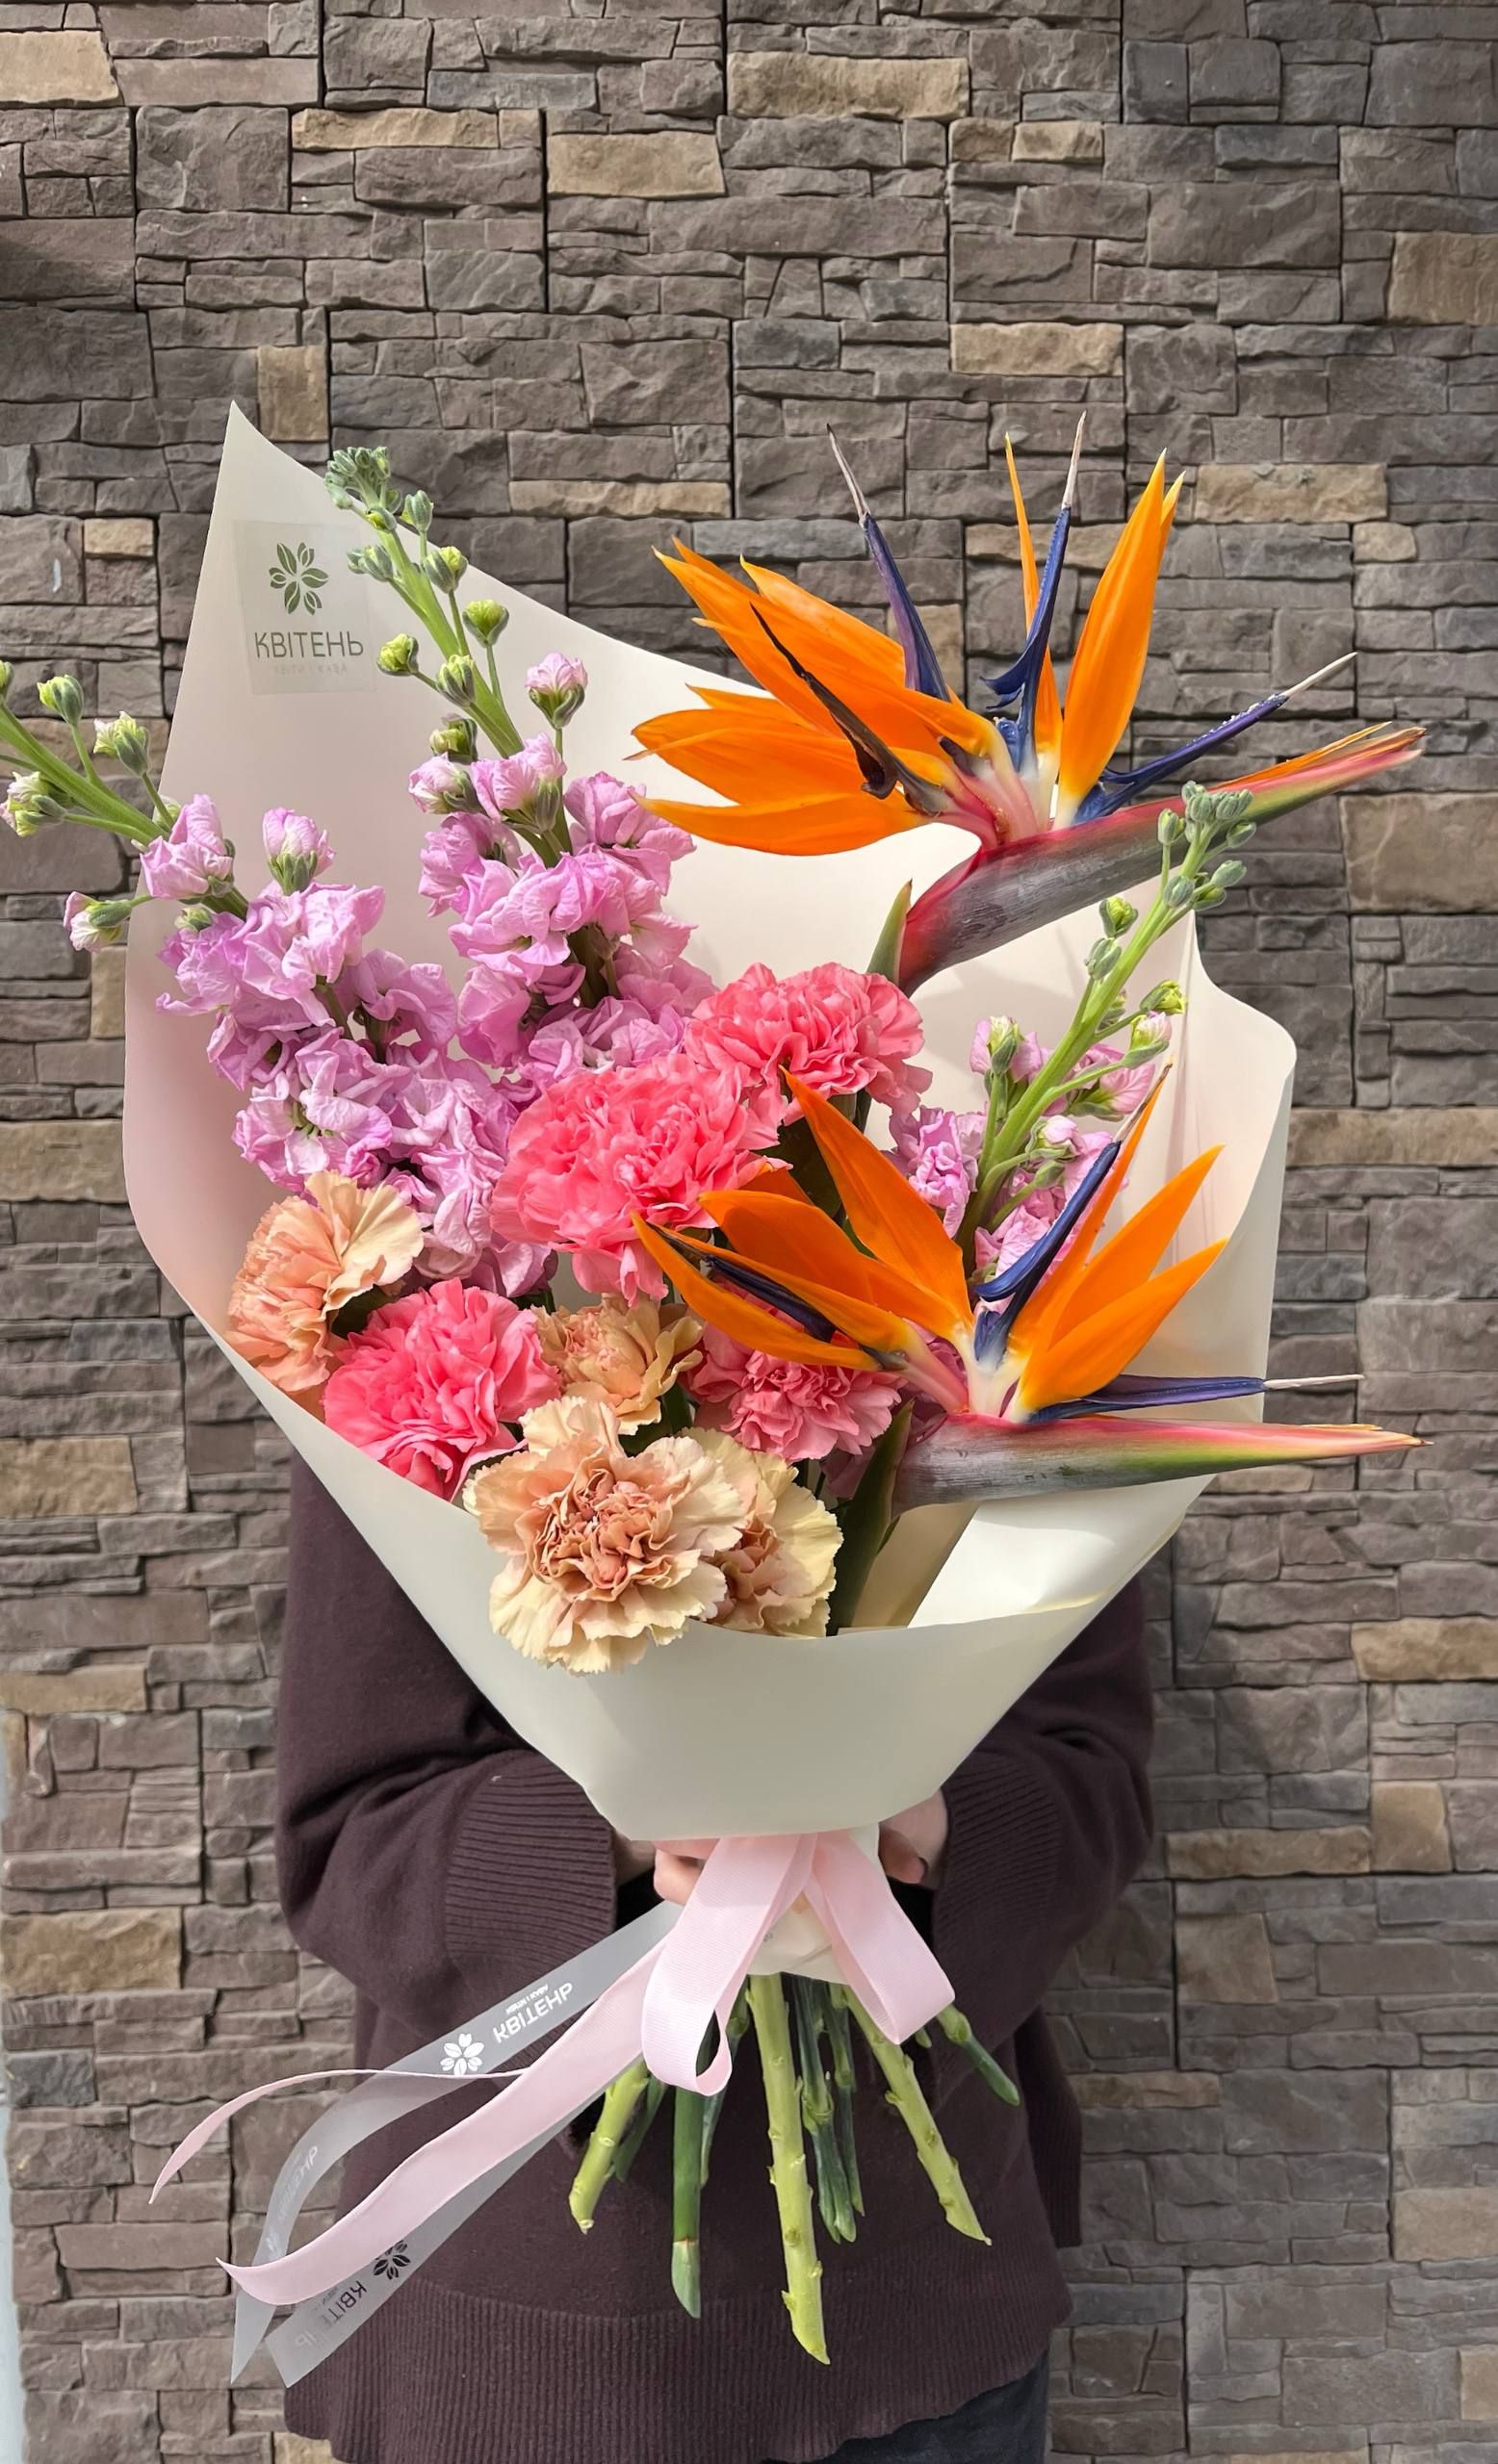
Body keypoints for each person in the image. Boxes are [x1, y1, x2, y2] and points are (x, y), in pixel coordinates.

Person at [275, 1458, 1154, 2464]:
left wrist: (923, 1815)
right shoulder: (403, 1396)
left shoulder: (1016, 1380)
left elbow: (1088, 1769)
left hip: (925, 2304)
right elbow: (352, 1834)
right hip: (550, 2331)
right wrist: (640, 1822)